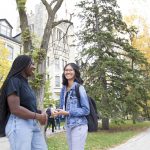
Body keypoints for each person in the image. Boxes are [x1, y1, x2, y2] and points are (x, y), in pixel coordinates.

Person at [0, 55, 52, 150]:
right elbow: (15, 109)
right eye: (32, 64)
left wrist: (42, 113)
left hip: (31, 122)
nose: (34, 67)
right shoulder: (14, 81)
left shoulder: (25, 83)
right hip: (19, 123)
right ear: (24, 65)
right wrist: (38, 116)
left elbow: (27, 106)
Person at [57, 63, 90, 150]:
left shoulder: (79, 88)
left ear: (75, 72)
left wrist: (68, 112)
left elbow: (86, 110)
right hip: (68, 125)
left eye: (70, 70)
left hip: (79, 125)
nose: (68, 72)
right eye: (66, 70)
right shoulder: (63, 89)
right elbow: (62, 107)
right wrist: (56, 112)